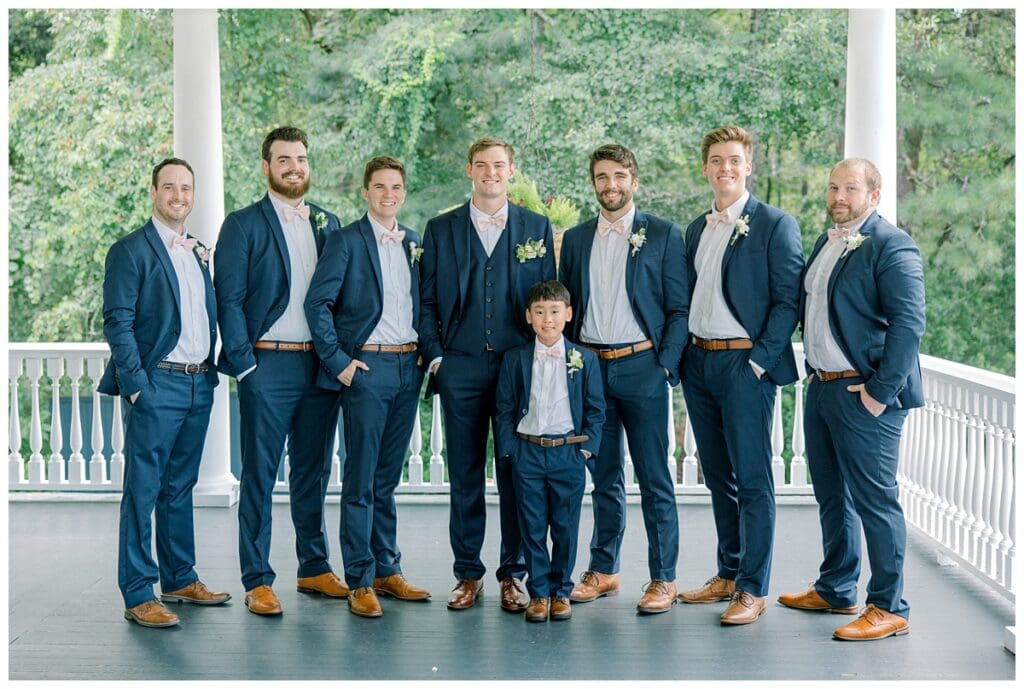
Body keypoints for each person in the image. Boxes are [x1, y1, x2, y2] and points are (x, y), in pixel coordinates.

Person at [778, 158, 925, 641]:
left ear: (874, 195)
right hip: (822, 386)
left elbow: (908, 326)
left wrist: (880, 394)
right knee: (832, 496)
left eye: (851, 189)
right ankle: (838, 587)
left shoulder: (892, 245)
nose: (839, 196)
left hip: (864, 392)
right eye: (833, 187)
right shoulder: (827, 241)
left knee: (876, 501)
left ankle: (889, 605)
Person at [419, 136, 556, 612]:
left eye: (500, 166)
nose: (491, 173)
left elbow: (548, 303)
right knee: (465, 474)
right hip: (460, 366)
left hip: (518, 368)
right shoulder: (440, 229)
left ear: (511, 171)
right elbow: (428, 301)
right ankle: (467, 574)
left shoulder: (536, 227)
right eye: (482, 165)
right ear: (470, 170)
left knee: (517, 474)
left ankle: (512, 574)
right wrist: (438, 357)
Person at [215, 126, 345, 616]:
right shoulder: (243, 224)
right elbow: (227, 299)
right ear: (266, 166)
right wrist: (246, 365)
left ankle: (313, 566)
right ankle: (257, 579)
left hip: (319, 366)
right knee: (260, 475)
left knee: (312, 473)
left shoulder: (329, 223)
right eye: (285, 159)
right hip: (266, 363)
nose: (295, 168)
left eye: (302, 159)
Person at [677, 125, 803, 625]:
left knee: (753, 480)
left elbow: (787, 300)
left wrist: (758, 361)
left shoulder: (774, 224)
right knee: (718, 477)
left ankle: (753, 587)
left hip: (743, 364)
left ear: (748, 165)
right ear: (705, 168)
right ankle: (728, 572)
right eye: (715, 161)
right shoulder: (696, 228)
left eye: (733, 160)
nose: (724, 168)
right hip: (700, 363)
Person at [99, 157, 229, 628]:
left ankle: (179, 578)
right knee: (144, 490)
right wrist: (136, 388)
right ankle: (138, 592)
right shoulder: (130, 251)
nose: (179, 196)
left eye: (186, 188)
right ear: (153, 192)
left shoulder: (199, 250)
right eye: (170, 187)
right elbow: (118, 321)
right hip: (157, 386)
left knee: (180, 488)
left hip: (199, 383)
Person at [558, 143, 688, 614]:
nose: (610, 185)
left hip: (643, 368)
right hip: (590, 368)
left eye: (619, 176)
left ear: (634, 181)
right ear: (593, 183)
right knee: (603, 474)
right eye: (601, 177)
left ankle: (663, 577)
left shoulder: (664, 234)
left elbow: (678, 309)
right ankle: (604, 567)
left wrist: (665, 366)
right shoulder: (574, 239)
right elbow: (567, 310)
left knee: (655, 478)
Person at [304, 156, 430, 618]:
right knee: (360, 480)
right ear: (365, 192)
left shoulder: (413, 242)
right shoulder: (345, 242)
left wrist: (425, 355)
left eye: (395, 187)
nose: (388, 194)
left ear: (403, 191)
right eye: (379, 187)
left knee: (386, 479)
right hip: (367, 371)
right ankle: (359, 578)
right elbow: (317, 303)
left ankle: (386, 568)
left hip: (406, 370)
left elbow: (426, 304)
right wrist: (339, 363)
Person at [495, 280, 605, 622]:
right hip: (528, 453)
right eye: (540, 312)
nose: (548, 320)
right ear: (529, 316)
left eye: (555, 312)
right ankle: (538, 592)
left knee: (565, 526)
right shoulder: (515, 359)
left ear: (568, 314)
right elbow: (504, 407)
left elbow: (596, 409)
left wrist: (585, 451)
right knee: (532, 525)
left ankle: (561, 591)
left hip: (568, 453)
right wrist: (510, 450)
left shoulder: (584, 359)